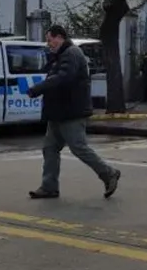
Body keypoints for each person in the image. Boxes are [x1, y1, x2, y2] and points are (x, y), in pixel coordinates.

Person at [26, 25, 121, 200]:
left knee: (79, 148)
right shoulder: (61, 55)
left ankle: (109, 173)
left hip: (71, 112)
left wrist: (38, 88)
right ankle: (49, 187)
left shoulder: (71, 53)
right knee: (50, 148)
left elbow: (63, 78)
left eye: (50, 40)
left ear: (59, 37)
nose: (49, 44)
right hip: (59, 113)